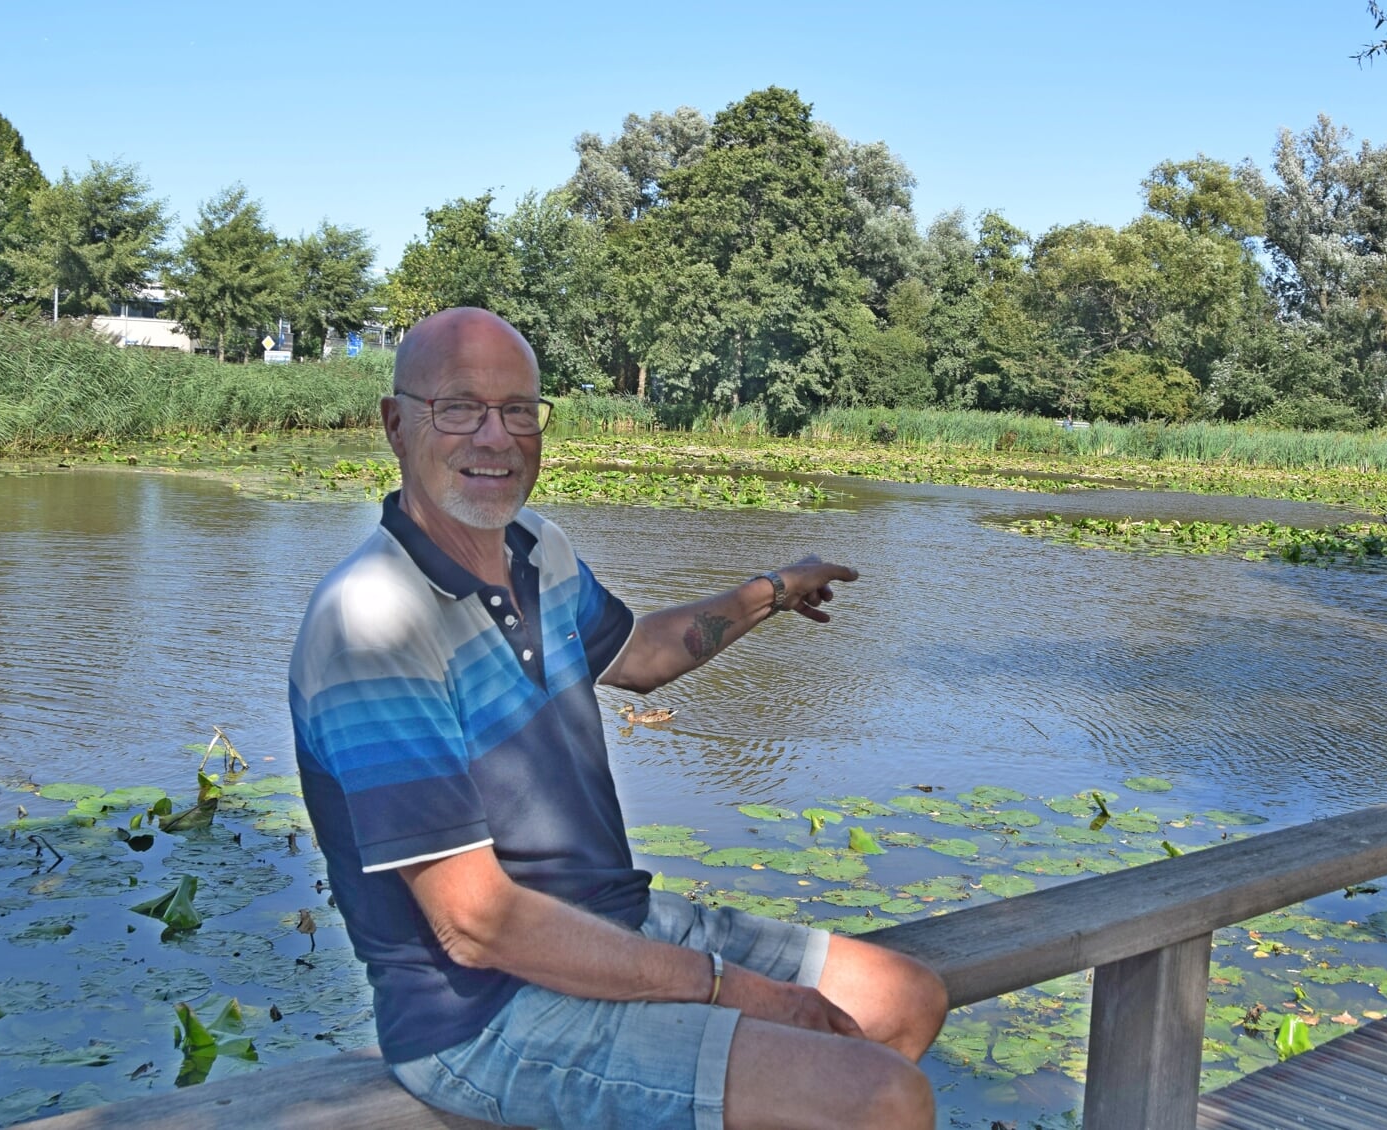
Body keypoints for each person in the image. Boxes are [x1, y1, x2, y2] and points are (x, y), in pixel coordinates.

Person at [289, 307, 947, 1129]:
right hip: (484, 1015)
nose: (495, 437)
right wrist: (728, 990)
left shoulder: (537, 549)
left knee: (903, 998)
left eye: (519, 409)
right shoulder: (372, 623)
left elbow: (637, 653)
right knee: (880, 1099)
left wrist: (772, 591)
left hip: (613, 922)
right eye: (458, 408)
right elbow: (476, 926)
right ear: (395, 424)